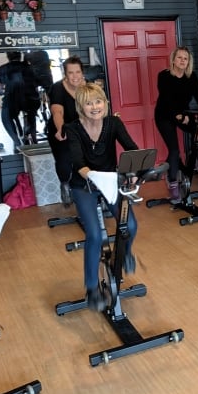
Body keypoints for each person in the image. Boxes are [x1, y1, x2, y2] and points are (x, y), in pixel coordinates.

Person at [65, 83, 140, 311]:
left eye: (98, 101)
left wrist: (134, 171)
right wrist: (94, 177)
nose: (94, 107)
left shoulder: (113, 123)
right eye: (88, 103)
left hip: (111, 182)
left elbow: (131, 148)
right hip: (84, 184)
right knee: (95, 236)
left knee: (131, 225)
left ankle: (125, 253)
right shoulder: (73, 129)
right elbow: (78, 162)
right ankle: (91, 288)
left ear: (105, 103)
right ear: (81, 107)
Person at [154, 46, 198, 204]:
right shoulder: (164, 76)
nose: (182, 61)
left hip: (182, 113)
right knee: (174, 150)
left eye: (185, 58)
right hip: (165, 115)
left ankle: (191, 159)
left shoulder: (191, 77)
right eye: (179, 58)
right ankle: (172, 182)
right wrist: (179, 116)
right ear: (173, 60)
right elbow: (167, 99)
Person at [47, 56, 85, 205]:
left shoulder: (88, 88)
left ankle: (88, 194)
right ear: (65, 74)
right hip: (61, 129)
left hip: (82, 130)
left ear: (82, 72)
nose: (75, 76)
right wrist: (61, 129)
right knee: (64, 161)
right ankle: (65, 183)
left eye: (78, 72)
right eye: (71, 72)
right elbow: (57, 112)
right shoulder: (57, 88)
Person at [0, 51, 38, 149]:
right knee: (32, 113)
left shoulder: (3, 68)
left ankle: (16, 141)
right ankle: (33, 134)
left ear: (8, 57)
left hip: (13, 100)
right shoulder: (28, 67)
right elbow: (35, 83)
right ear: (20, 56)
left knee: (5, 117)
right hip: (31, 99)